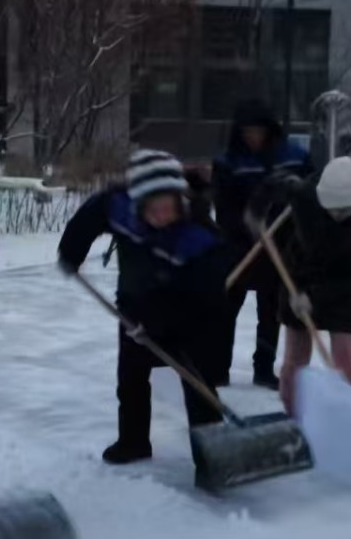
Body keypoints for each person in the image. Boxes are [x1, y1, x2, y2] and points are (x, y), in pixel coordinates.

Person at [58, 149, 235, 464]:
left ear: (181, 201)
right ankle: (133, 442)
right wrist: (71, 252)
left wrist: (158, 324)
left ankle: (214, 455)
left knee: (197, 383)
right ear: (138, 203)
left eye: (168, 208)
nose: (161, 216)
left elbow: (208, 299)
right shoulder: (120, 207)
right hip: (135, 301)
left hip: (189, 315)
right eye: (153, 209)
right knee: (131, 375)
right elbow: (93, 213)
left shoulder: (199, 238)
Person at [251, 156, 351, 414]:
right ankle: (294, 417)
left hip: (347, 288)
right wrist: (256, 211)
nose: (338, 215)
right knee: (294, 360)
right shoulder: (306, 194)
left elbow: (344, 272)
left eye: (345, 210)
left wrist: (313, 297)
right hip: (299, 274)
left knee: (346, 361)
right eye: (332, 208)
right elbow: (275, 184)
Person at [212, 99, 315, 389]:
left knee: (270, 312)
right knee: (226, 310)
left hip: (280, 248)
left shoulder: (294, 157)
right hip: (239, 246)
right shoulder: (228, 161)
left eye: (258, 131)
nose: (253, 137)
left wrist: (290, 229)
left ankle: (264, 369)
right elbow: (224, 207)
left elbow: (310, 193)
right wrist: (247, 231)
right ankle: (219, 368)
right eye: (247, 132)